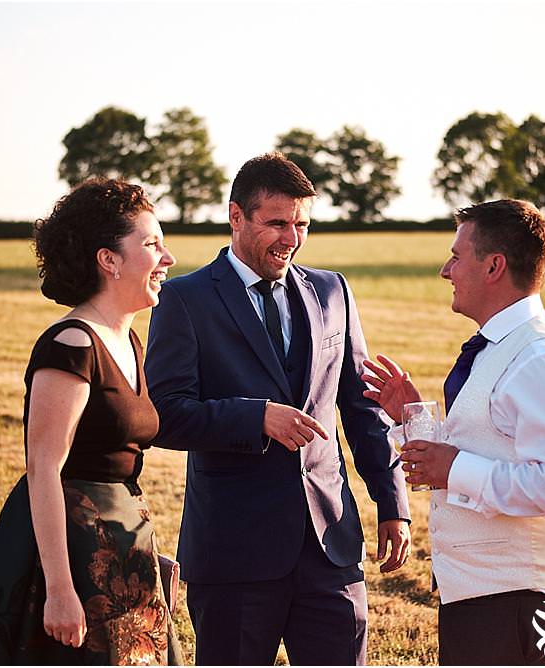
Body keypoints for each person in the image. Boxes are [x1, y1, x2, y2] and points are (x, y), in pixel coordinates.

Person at [144, 152, 411, 665]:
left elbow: (361, 408)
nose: (291, 238)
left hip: (331, 547)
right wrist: (255, 416)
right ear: (236, 216)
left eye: (302, 225)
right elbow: (165, 413)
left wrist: (391, 503)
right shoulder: (184, 300)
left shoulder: (334, 290)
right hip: (234, 555)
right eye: (277, 223)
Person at [362, 199, 545, 665]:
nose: (445, 270)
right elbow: (481, 443)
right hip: (482, 600)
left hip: (522, 608)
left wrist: (457, 470)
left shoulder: (544, 358)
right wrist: (412, 415)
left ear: (494, 266)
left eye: (456, 256)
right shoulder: (498, 346)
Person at [0, 178, 183, 665]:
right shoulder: (72, 345)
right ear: (109, 259)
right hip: (68, 557)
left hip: (123, 549)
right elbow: (43, 469)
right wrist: (61, 589)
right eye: (152, 244)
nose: (167, 258)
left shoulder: (128, 342)